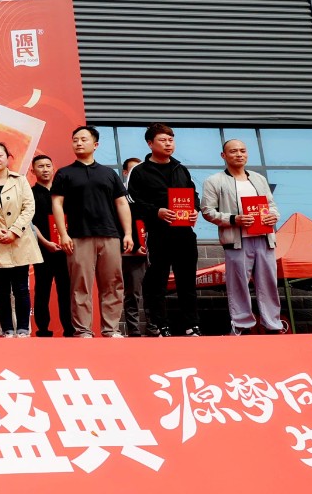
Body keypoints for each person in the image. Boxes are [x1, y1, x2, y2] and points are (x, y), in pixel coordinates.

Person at [50, 126, 133, 338]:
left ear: (95, 145)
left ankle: (111, 329)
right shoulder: (64, 173)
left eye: (83, 139)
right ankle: (83, 330)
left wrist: (128, 233)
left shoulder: (109, 173)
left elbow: (122, 204)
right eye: (75, 139)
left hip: (110, 235)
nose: (78, 143)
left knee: (113, 284)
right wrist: (63, 234)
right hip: (79, 236)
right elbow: (57, 204)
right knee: (80, 286)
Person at [201, 138, 286, 335]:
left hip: (264, 237)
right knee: (238, 283)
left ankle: (273, 325)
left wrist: (274, 215)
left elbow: (271, 205)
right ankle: (242, 325)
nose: (239, 154)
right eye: (233, 151)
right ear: (223, 155)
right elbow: (207, 211)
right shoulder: (214, 181)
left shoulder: (258, 179)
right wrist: (233, 219)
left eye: (242, 150)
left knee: (268, 283)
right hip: (236, 241)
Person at [127, 124, 200, 337]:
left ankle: (191, 325)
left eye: (171, 140)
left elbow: (193, 194)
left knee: (187, 281)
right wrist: (156, 212)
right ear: (150, 144)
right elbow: (132, 202)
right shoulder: (139, 171)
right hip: (158, 234)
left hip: (184, 233)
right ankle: (160, 325)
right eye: (163, 140)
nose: (168, 144)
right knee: (157, 281)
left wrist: (194, 210)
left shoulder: (180, 169)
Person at [0, 142, 39, 337]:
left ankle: (23, 328)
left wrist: (14, 231)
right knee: (1, 289)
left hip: (18, 240)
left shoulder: (20, 180)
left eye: (0, 155)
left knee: (21, 288)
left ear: (7, 157)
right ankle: (7, 329)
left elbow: (29, 207)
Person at [29, 154, 73, 337]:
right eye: (40, 166)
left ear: (53, 168)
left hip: (66, 249)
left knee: (66, 290)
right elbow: (30, 223)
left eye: (48, 165)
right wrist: (45, 242)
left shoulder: (64, 193)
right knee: (42, 290)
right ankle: (43, 329)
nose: (45, 169)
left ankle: (70, 328)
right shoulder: (30, 194)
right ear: (33, 170)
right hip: (42, 249)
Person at [119, 156, 149, 335]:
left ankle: (154, 326)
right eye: (132, 170)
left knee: (154, 290)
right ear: (125, 173)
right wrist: (136, 243)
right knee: (133, 292)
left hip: (153, 248)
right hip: (132, 251)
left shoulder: (150, 191)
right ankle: (134, 329)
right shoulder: (121, 196)